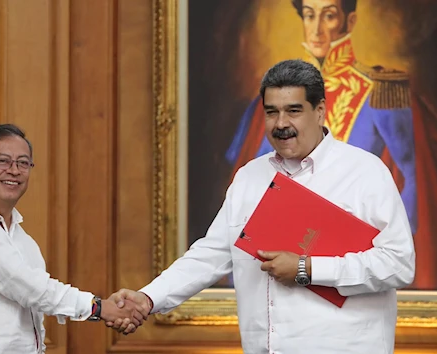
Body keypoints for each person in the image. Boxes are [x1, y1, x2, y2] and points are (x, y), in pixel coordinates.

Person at [108, 60, 416, 354]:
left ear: (320, 111)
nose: (281, 124)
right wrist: (148, 298)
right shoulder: (249, 177)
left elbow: (399, 265)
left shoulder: (365, 172)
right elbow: (211, 255)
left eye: (293, 111)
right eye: (272, 112)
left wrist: (306, 268)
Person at [0, 124, 147, 353]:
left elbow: (35, 309)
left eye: (23, 163)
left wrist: (103, 309)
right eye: (2, 161)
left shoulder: (24, 241)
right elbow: (24, 285)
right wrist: (99, 308)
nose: (14, 170)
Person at [226, 0, 418, 235]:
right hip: (282, 240)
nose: (316, 30)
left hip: (350, 249)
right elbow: (258, 183)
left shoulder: (380, 91)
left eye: (328, 16)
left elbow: (413, 179)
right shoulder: (277, 97)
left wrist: (387, 251)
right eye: (309, 15)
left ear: (349, 21)